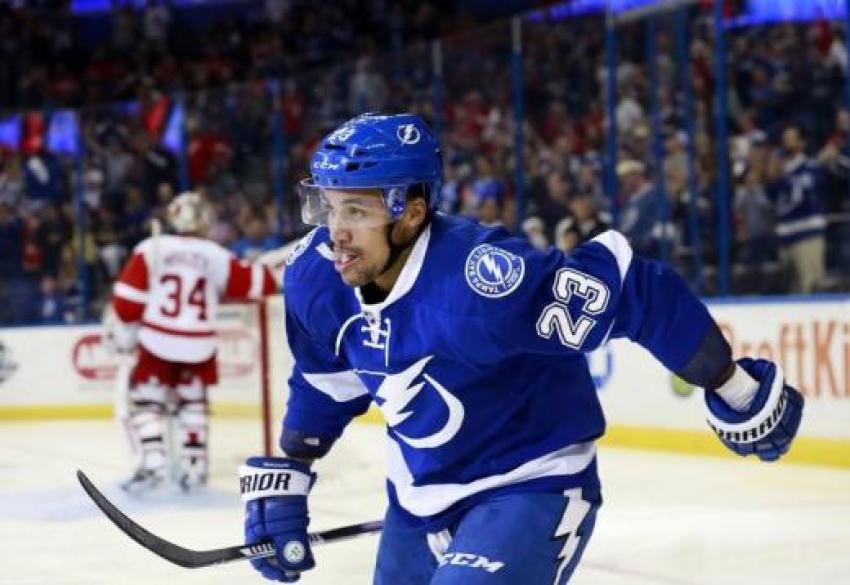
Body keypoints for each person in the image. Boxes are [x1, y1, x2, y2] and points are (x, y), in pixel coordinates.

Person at [240, 114, 804, 584]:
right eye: (328, 206)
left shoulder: (482, 283)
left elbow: (637, 291)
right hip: (416, 497)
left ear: (410, 212)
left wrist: (734, 386)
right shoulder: (316, 277)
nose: (334, 231)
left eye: (356, 211)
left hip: (531, 482)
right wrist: (291, 469)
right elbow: (326, 378)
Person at [106, 192, 279, 493]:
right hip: (199, 341)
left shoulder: (152, 248)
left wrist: (131, 324)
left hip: (158, 337)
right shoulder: (215, 254)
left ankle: (154, 463)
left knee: (148, 399)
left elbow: (126, 301)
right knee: (193, 399)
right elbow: (254, 284)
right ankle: (195, 466)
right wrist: (274, 270)